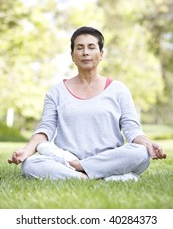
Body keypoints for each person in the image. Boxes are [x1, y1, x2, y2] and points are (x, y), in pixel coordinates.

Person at [8, 26, 166, 181]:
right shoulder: (56, 92)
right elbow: (45, 129)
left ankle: (78, 169)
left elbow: (132, 130)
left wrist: (149, 144)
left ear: (101, 54)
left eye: (91, 47)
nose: (85, 53)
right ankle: (100, 177)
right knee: (30, 164)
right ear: (72, 55)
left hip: (105, 159)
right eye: (80, 48)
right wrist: (27, 150)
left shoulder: (118, 90)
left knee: (141, 153)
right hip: (71, 157)